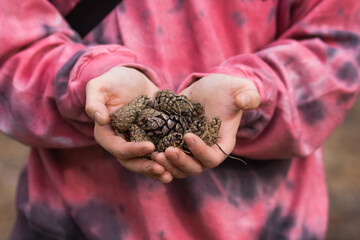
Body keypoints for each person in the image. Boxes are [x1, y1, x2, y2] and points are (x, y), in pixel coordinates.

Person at [1, 0, 359, 239]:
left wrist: (256, 91)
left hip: (265, 225)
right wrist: (85, 79)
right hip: (75, 222)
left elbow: (339, 48)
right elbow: (11, 47)